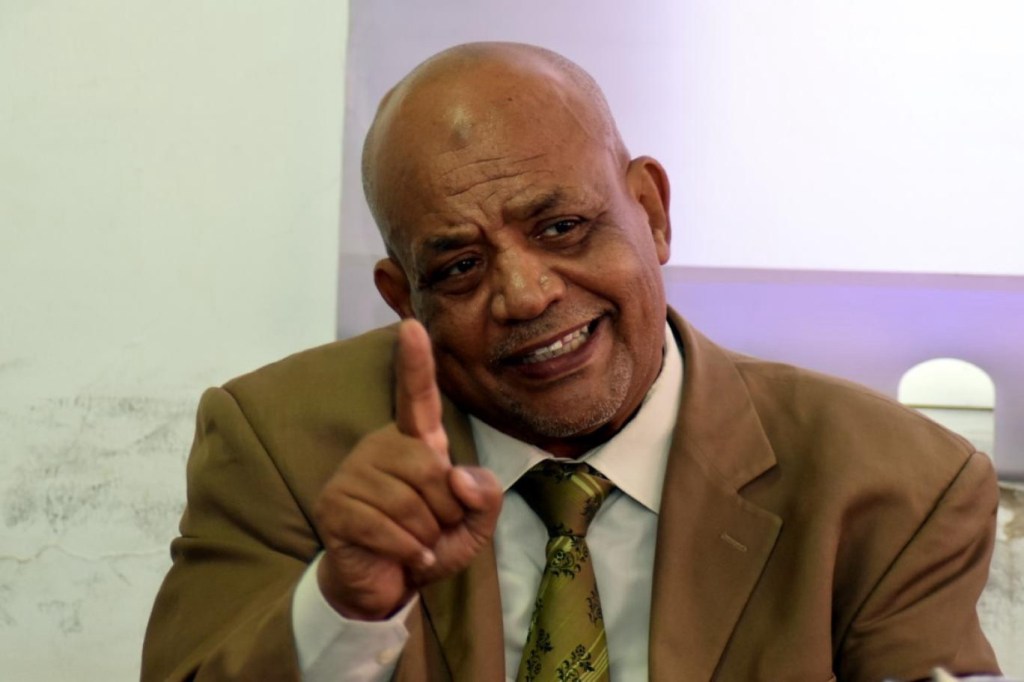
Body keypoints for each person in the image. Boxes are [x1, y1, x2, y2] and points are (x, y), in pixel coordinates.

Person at [142, 42, 1001, 681]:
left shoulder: (892, 486)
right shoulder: (279, 444)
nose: (525, 295)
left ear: (652, 212)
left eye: (561, 227)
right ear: (404, 299)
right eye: (459, 267)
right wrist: (343, 605)